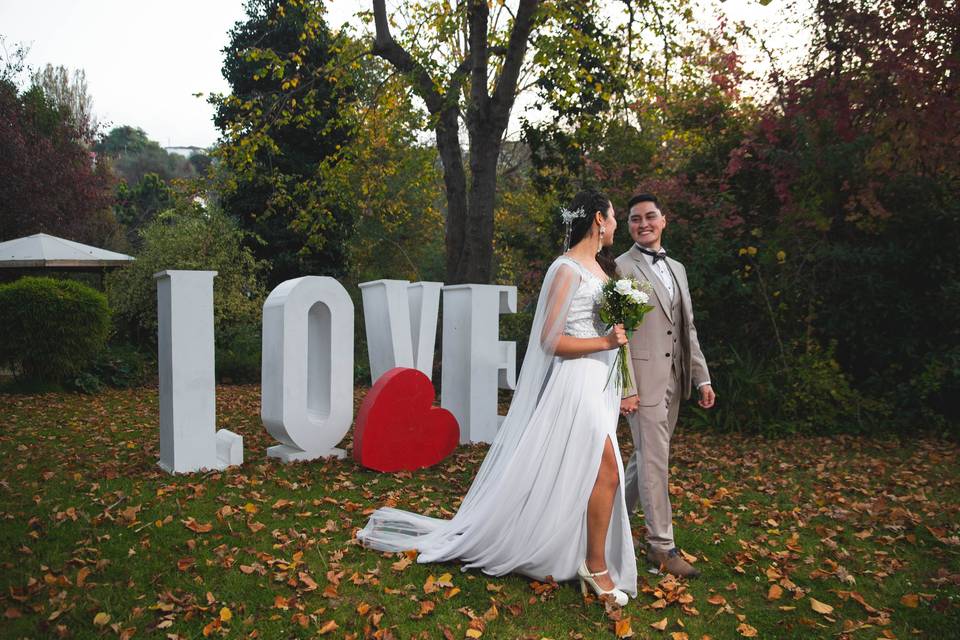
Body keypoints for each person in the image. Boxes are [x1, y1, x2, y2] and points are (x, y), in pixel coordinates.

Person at [357, 189, 637, 605]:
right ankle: (594, 566)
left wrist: (618, 354)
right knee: (608, 472)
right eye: (613, 218)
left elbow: (609, 331)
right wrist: (602, 342)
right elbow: (548, 340)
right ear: (598, 219)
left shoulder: (601, 270)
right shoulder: (566, 269)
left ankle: (576, 551)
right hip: (575, 382)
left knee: (587, 471)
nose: (616, 226)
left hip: (600, 383)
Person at [616, 193, 715, 578]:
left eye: (650, 216)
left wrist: (701, 376)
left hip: (675, 379)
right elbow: (617, 331)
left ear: (663, 220)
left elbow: (685, 328)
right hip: (642, 383)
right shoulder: (620, 268)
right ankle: (662, 547)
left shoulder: (677, 267)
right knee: (655, 460)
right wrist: (626, 386)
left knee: (647, 456)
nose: (643, 223)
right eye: (634, 219)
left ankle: (613, 521)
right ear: (628, 226)